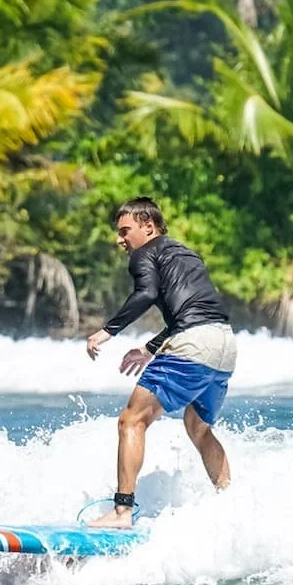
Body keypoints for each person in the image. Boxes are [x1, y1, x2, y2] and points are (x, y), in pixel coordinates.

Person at [85, 197, 237, 528]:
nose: (120, 240)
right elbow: (192, 311)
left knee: (131, 421)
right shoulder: (186, 254)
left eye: (125, 231)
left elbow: (146, 294)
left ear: (148, 227)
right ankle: (232, 504)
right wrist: (151, 347)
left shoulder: (145, 253)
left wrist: (107, 331)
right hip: (224, 345)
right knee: (199, 427)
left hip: (192, 344)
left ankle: (122, 512)